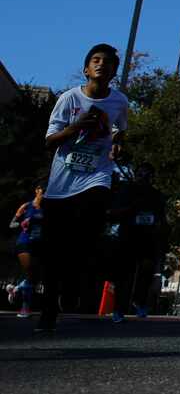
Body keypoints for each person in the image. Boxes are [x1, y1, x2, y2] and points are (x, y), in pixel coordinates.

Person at [38, 44, 128, 332]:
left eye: (107, 62)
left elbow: (120, 132)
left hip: (96, 177)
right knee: (54, 252)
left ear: (114, 71)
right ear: (86, 68)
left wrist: (118, 146)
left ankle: (74, 282)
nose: (101, 65)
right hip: (61, 184)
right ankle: (49, 310)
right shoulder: (69, 99)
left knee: (88, 232)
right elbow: (49, 141)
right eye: (95, 60)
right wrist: (77, 126)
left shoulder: (119, 102)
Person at [110, 163, 168, 323]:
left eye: (148, 175)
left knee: (146, 272)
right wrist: (131, 209)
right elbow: (114, 213)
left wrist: (160, 235)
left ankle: (140, 302)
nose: (144, 178)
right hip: (128, 236)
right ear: (136, 175)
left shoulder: (157, 195)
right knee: (125, 274)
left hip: (148, 239)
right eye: (141, 174)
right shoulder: (126, 191)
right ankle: (119, 308)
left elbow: (162, 219)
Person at [8, 180, 46, 318]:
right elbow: (11, 224)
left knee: (35, 277)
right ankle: (25, 308)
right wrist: (21, 224)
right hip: (24, 242)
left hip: (39, 244)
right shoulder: (26, 206)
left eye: (47, 190)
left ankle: (17, 288)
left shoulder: (47, 208)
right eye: (42, 189)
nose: (44, 192)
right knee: (30, 270)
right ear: (37, 190)